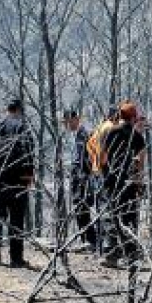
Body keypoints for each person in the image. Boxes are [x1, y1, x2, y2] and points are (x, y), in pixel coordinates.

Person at [0, 99, 35, 268]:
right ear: (20, 110)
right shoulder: (22, 127)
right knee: (17, 218)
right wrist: (28, 178)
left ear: (7, 109)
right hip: (16, 179)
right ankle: (16, 257)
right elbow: (28, 154)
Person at [101, 101, 147, 265]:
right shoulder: (137, 136)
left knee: (112, 215)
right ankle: (131, 254)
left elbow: (103, 157)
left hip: (111, 180)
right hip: (128, 182)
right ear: (133, 118)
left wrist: (106, 175)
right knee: (129, 217)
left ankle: (110, 253)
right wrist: (139, 183)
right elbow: (139, 163)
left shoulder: (108, 132)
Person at [87, 107, 121, 254]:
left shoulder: (100, 127)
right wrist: (104, 165)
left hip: (96, 171)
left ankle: (101, 247)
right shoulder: (110, 128)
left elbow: (90, 147)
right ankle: (108, 248)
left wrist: (95, 164)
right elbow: (103, 151)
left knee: (101, 210)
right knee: (108, 210)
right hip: (104, 171)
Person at [63, 108, 97, 253]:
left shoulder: (86, 134)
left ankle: (90, 241)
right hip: (77, 174)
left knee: (82, 208)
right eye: (66, 122)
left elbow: (90, 156)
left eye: (69, 121)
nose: (67, 125)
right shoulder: (76, 135)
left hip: (83, 176)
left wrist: (86, 175)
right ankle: (86, 240)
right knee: (79, 208)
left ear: (76, 119)